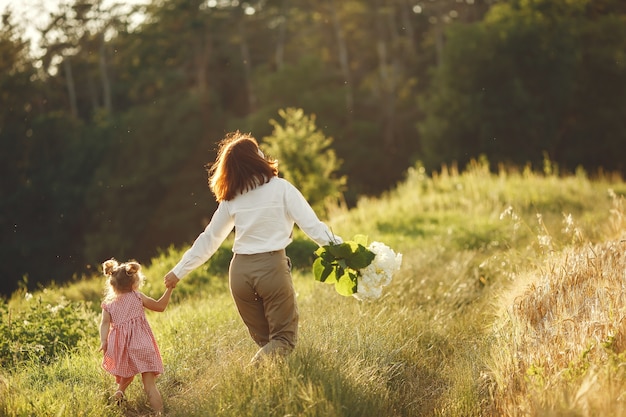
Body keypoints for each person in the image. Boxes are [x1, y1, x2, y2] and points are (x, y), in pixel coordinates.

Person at [163, 131, 342, 363]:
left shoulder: (232, 198)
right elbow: (314, 227)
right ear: (255, 158)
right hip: (271, 269)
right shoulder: (281, 188)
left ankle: (272, 390)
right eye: (258, 149)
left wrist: (178, 271)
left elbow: (209, 240)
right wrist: (345, 253)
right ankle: (249, 377)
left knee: (269, 344)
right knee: (283, 341)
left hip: (239, 274)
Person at [99, 258, 173, 414]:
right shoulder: (137, 297)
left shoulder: (109, 305)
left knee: (127, 374)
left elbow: (104, 324)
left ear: (112, 285)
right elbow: (160, 306)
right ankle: (159, 414)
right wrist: (169, 289)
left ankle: (120, 392)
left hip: (122, 348)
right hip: (142, 345)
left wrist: (104, 341)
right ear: (133, 284)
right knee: (150, 386)